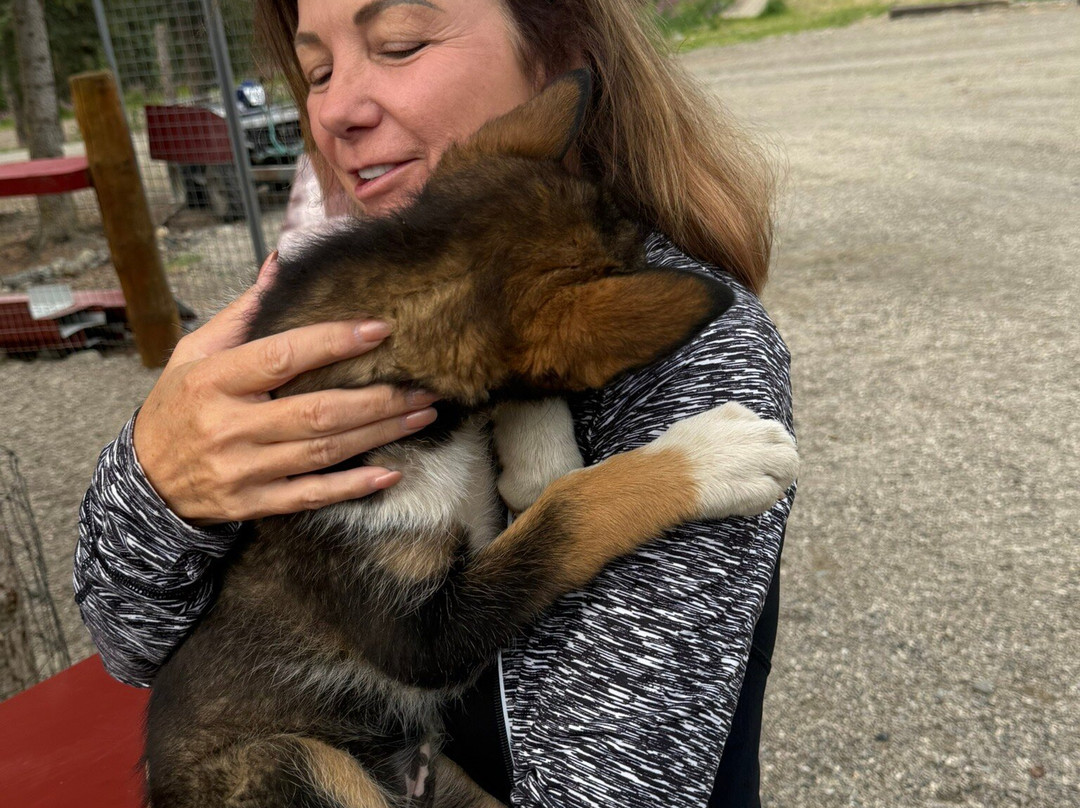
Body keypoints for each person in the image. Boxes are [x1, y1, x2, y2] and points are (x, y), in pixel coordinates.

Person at [74, 1, 795, 805]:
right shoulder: (307, 314)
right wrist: (156, 479)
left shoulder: (686, 356)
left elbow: (611, 781)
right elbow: (130, 644)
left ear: (557, 54)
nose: (336, 109)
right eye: (316, 72)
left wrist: (636, 471)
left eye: (400, 45)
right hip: (296, 745)